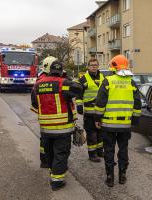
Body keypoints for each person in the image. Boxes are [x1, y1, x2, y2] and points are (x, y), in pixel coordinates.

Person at [31, 60, 82, 191]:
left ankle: (53, 171)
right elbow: (78, 89)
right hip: (62, 127)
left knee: (49, 152)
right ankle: (57, 182)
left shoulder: (37, 85)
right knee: (61, 153)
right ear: (61, 71)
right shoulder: (63, 83)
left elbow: (35, 105)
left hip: (45, 128)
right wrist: (69, 79)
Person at [94, 55, 141, 187]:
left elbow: (100, 102)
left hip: (108, 124)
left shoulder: (108, 81)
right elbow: (137, 103)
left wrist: (97, 119)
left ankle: (110, 177)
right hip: (125, 125)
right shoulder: (131, 82)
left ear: (113, 66)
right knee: (123, 149)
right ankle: (122, 175)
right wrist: (135, 120)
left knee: (108, 150)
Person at [76, 58, 105, 162]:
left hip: (101, 112)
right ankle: (92, 154)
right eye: (92, 65)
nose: (94, 67)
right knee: (92, 134)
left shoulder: (103, 77)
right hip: (89, 112)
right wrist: (79, 105)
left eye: (96, 65)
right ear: (88, 66)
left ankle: (100, 151)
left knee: (101, 133)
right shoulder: (83, 79)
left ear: (98, 66)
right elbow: (78, 93)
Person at [34, 56, 58, 168]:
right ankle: (46, 161)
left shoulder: (40, 79)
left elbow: (34, 103)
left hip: (46, 117)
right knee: (47, 140)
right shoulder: (42, 80)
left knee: (45, 139)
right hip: (52, 116)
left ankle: (46, 161)